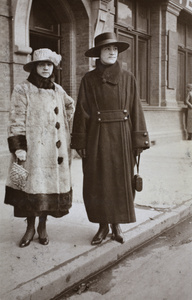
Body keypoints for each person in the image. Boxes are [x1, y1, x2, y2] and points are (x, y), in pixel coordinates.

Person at [71, 32, 150, 245]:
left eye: (115, 49)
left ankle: (116, 225)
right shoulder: (88, 79)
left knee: (120, 181)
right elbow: (82, 111)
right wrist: (80, 141)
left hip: (122, 137)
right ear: (99, 53)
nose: (112, 52)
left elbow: (136, 110)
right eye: (107, 49)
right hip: (96, 138)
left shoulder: (128, 78)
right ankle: (102, 226)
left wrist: (139, 141)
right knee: (97, 182)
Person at [4, 48, 75, 247]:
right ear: (35, 67)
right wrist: (19, 146)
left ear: (53, 67)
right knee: (32, 189)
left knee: (48, 190)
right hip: (33, 151)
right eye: (41, 64)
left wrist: (64, 124)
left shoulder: (58, 89)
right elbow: (16, 118)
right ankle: (30, 228)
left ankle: (43, 227)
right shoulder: (23, 89)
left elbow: (70, 106)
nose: (45, 68)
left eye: (49, 64)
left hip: (54, 152)